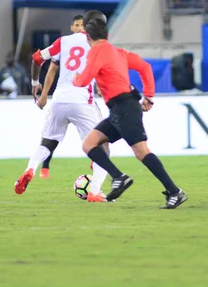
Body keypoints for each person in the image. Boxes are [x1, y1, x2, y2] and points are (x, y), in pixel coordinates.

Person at [73, 11, 187, 209]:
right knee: (89, 143)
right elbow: (145, 68)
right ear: (107, 36)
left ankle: (175, 192)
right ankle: (118, 177)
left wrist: (75, 78)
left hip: (123, 108)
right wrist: (149, 95)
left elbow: (83, 80)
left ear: (87, 37)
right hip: (122, 107)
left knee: (141, 151)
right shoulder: (118, 52)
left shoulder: (95, 52)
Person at [13, 14, 110, 202]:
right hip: (82, 99)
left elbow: (36, 58)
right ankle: (95, 191)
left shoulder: (63, 41)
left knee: (47, 142)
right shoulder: (97, 43)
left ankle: (30, 169)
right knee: (103, 145)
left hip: (58, 99)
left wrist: (35, 83)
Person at [36, 15, 84, 178]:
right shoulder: (67, 45)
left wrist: (42, 93)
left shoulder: (67, 43)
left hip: (63, 97)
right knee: (96, 133)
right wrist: (44, 95)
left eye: (82, 25)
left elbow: (39, 60)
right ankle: (46, 166)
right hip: (78, 98)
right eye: (77, 25)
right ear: (71, 27)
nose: (80, 28)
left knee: (51, 136)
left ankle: (41, 167)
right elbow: (51, 71)